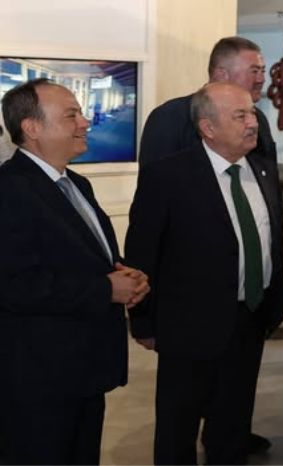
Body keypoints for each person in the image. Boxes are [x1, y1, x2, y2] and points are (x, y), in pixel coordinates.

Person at [124, 82, 283, 466]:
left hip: (251, 317)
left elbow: (270, 240)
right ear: (208, 127)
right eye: (240, 115)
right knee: (178, 424)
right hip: (189, 325)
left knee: (234, 418)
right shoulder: (167, 175)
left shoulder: (263, 169)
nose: (253, 123)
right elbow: (142, 253)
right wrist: (143, 320)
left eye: (253, 113)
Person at [0, 78, 149, 466]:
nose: (85, 122)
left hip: (83, 368)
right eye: (72, 115)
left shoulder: (76, 183)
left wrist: (126, 275)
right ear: (32, 128)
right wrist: (105, 290)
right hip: (39, 378)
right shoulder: (9, 190)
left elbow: (87, 257)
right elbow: (13, 285)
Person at [138, 36, 276, 172]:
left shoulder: (259, 120)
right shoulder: (170, 117)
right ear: (222, 74)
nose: (261, 79)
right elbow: (155, 180)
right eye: (254, 71)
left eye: (263, 71)